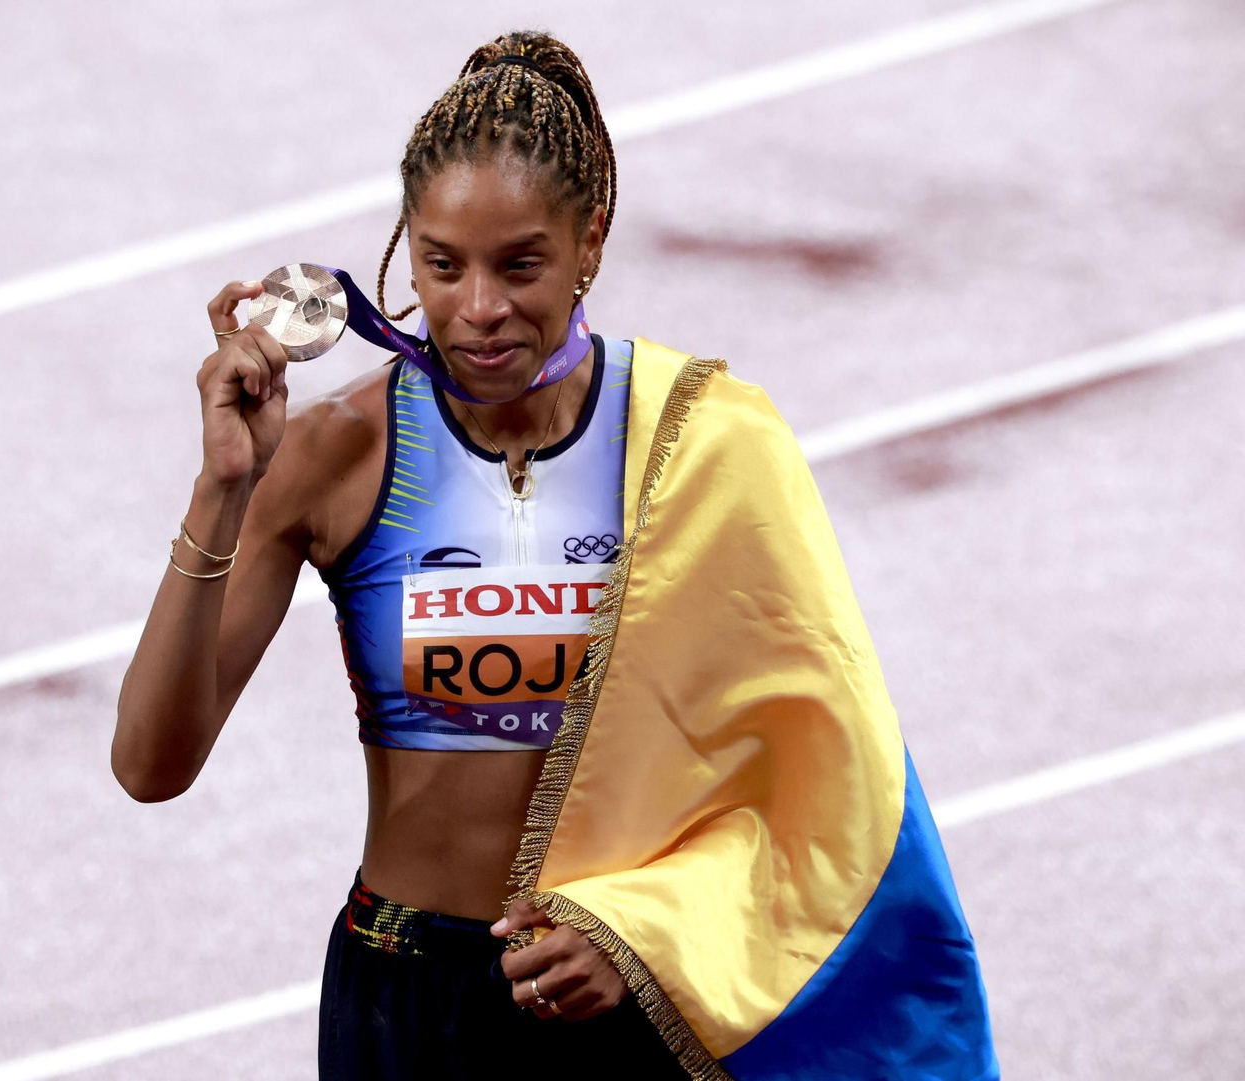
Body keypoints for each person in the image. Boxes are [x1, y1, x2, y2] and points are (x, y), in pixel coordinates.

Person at [113, 28, 997, 1081]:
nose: (479, 310)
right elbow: (150, 766)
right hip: (405, 1002)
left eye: (520, 263)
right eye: (441, 265)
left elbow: (820, 776)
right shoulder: (336, 454)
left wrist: (645, 930)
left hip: (616, 1001)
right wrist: (225, 487)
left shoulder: (706, 442)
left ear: (591, 239)